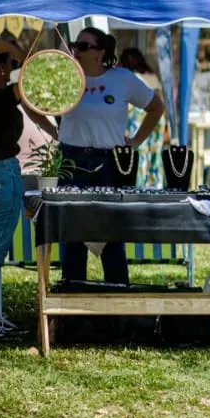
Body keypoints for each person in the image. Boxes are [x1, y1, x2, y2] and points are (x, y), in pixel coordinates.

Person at [59, 28, 165, 285]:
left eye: (84, 46)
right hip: (71, 162)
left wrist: (136, 141)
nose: (76, 50)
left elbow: (156, 106)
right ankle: (72, 312)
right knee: (73, 239)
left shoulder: (122, 79)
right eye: (75, 45)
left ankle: (120, 310)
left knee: (112, 237)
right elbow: (34, 102)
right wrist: (54, 131)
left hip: (109, 163)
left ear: (101, 52)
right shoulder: (66, 78)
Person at [0, 38, 53, 339]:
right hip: (4, 175)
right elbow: (34, 76)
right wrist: (20, 52)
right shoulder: (2, 97)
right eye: (9, 66)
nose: (14, 69)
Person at [118, 48, 167, 188]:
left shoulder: (130, 78)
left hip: (137, 120)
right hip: (156, 121)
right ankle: (154, 185)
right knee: (154, 155)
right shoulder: (152, 76)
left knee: (139, 156)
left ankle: (139, 186)